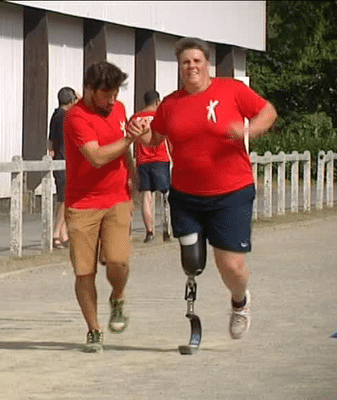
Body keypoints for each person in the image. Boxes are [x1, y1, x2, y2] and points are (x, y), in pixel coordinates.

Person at [129, 37, 278, 340]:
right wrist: (137, 134)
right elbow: (154, 140)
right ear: (179, 68)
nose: (191, 67)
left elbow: (268, 112)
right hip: (186, 195)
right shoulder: (170, 104)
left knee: (231, 265)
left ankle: (240, 302)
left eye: (197, 61)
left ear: (207, 64)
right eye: (186, 62)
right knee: (192, 261)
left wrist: (248, 130)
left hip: (231, 192)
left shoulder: (231, 90)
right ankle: (193, 298)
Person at [64, 61, 138, 352]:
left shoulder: (118, 110)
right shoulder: (76, 118)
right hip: (83, 203)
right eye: (106, 94)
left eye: (116, 93)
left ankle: (117, 297)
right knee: (85, 272)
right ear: (89, 89)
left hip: (117, 197)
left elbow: (124, 149)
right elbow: (96, 157)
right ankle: (94, 330)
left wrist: (133, 176)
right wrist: (128, 139)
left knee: (119, 261)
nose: (112, 100)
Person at [130, 89, 172, 243]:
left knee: (146, 195)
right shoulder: (160, 117)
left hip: (143, 160)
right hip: (160, 158)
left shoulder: (135, 118)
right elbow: (169, 138)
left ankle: (150, 231)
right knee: (165, 194)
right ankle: (166, 229)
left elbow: (131, 140)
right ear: (156, 102)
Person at [48, 86, 77, 249]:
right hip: (64, 161)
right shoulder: (66, 117)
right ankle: (56, 233)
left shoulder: (56, 115)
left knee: (68, 199)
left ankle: (64, 233)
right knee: (64, 199)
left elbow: (51, 140)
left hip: (63, 159)